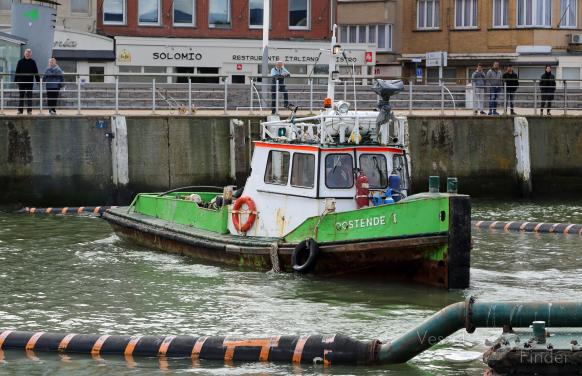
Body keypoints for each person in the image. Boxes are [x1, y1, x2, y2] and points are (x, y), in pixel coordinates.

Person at [14, 49, 40, 115]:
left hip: (29, 82)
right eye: (26, 53)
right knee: (21, 96)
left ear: (31, 54)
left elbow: (36, 72)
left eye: (29, 53)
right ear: (24, 54)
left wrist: (38, 81)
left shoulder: (33, 62)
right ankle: (20, 111)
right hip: (21, 82)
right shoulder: (20, 61)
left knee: (29, 96)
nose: (27, 54)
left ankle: (29, 111)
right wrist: (15, 81)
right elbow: (17, 71)